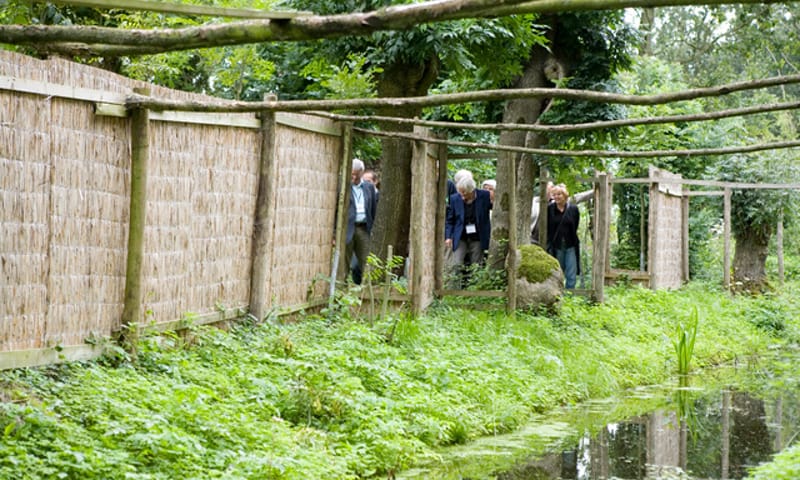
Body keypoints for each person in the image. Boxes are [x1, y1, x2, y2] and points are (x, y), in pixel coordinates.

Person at [445, 175, 492, 289]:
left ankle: (475, 291)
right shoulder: (454, 198)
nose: (462, 196)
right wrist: (448, 237)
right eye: (460, 192)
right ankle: (453, 291)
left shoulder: (484, 196)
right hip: (460, 236)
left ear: (472, 191)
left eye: (464, 193)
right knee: (456, 264)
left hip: (478, 236)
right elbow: (450, 220)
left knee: (476, 265)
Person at [346, 159, 378, 285]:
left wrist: (373, 230)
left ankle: (367, 290)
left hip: (364, 228)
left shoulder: (369, 187)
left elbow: (373, 211)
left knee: (366, 260)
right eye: (351, 174)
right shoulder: (344, 186)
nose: (353, 177)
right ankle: (341, 291)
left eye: (355, 174)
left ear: (361, 173)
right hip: (347, 229)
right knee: (345, 262)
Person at [546, 184, 580, 289]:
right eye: (554, 194)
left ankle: (570, 296)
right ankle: (557, 294)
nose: (556, 197)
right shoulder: (550, 209)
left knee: (571, 272)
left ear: (565, 195)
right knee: (557, 273)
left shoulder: (573, 209)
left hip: (571, 244)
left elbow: (575, 225)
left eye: (559, 194)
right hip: (556, 245)